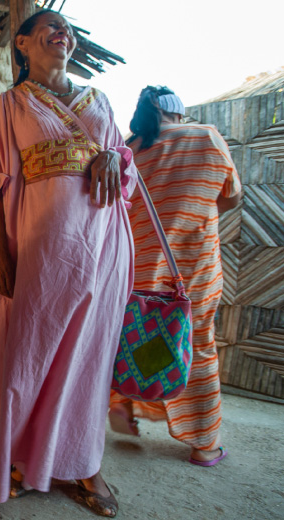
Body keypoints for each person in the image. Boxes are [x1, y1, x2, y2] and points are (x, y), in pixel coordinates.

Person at [0, 10, 137, 517]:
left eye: (69, 28)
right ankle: (16, 459)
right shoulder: (8, 105)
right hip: (37, 252)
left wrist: (114, 157)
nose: (64, 33)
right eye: (50, 25)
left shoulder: (100, 100)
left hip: (101, 251)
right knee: (23, 357)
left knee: (88, 359)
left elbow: (125, 164)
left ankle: (85, 465)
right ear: (22, 43)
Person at [109, 86, 241, 467]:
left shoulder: (126, 152)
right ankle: (204, 442)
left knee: (133, 337)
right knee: (195, 346)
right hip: (191, 269)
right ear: (178, 114)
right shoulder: (206, 137)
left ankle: (124, 404)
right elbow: (230, 197)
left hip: (134, 267)